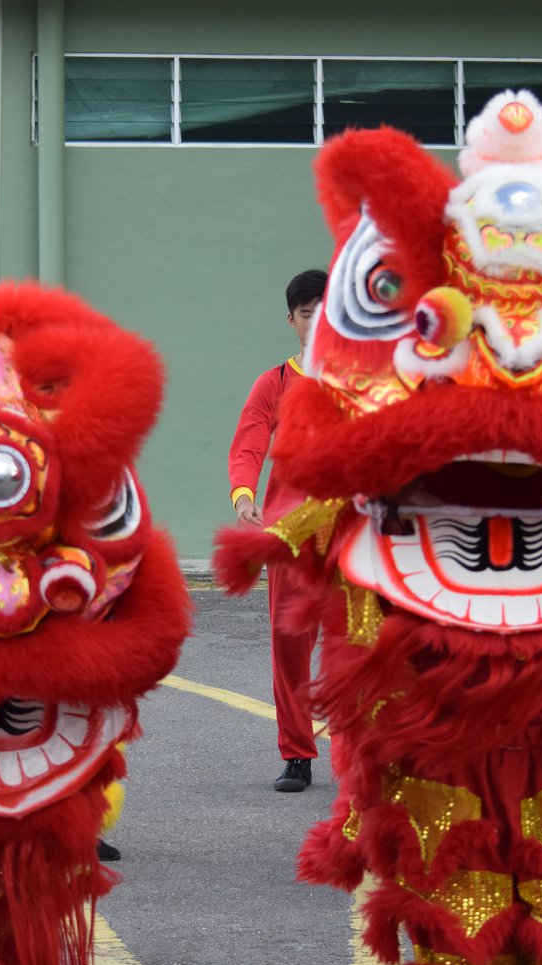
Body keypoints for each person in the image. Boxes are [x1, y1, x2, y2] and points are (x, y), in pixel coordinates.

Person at [228, 269, 326, 792]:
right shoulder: (276, 382)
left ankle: (373, 756)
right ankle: (298, 754)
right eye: (306, 312)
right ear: (291, 320)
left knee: (368, 648)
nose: (317, 321)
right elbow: (248, 445)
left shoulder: (364, 380)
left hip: (356, 535)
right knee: (290, 646)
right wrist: (244, 494)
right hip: (291, 537)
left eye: (326, 310)